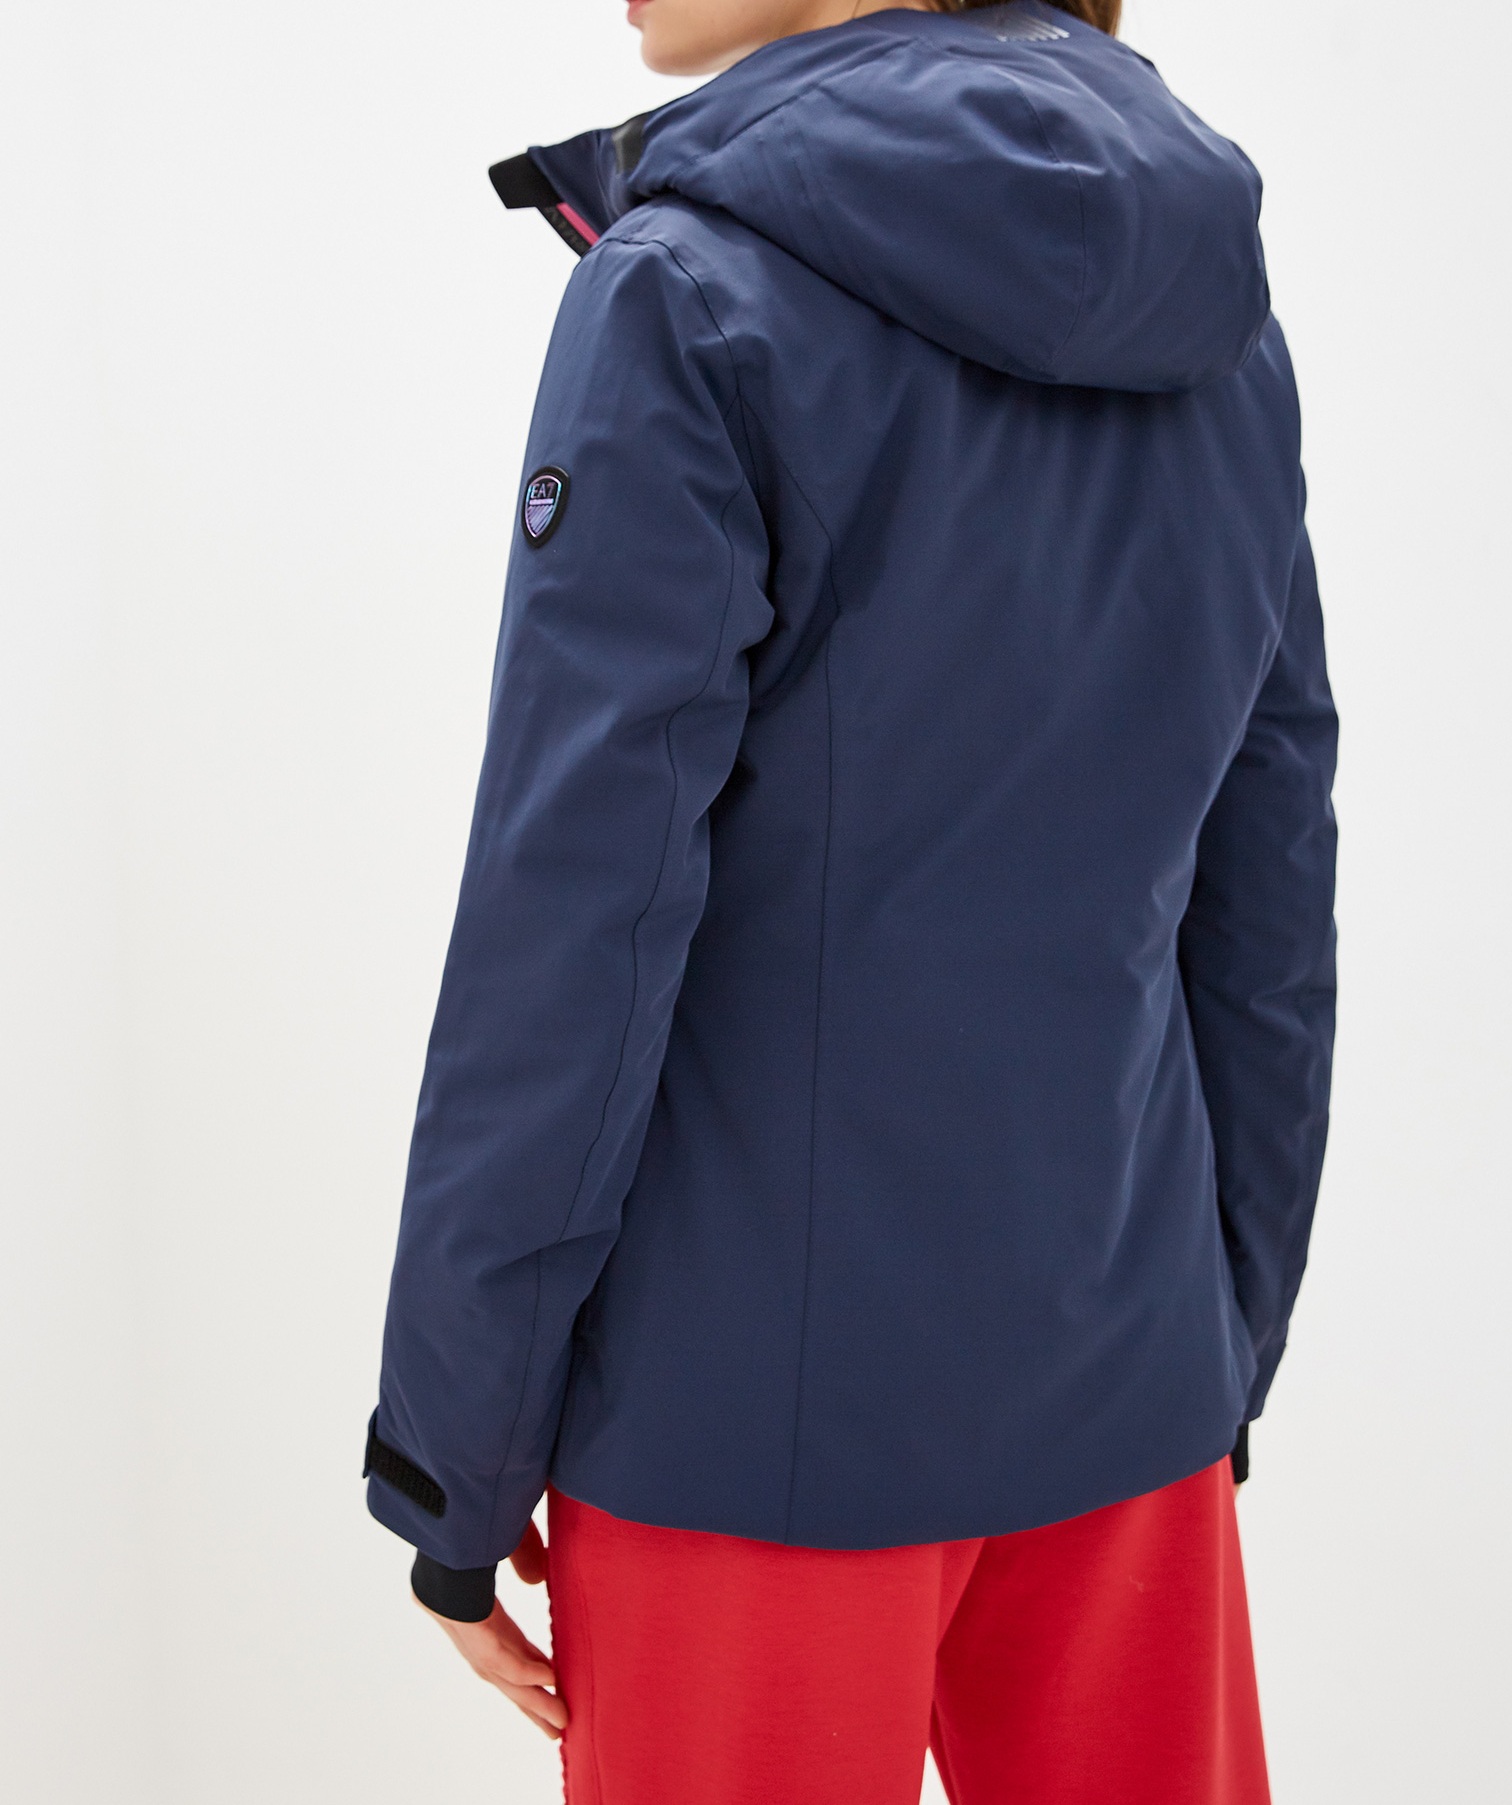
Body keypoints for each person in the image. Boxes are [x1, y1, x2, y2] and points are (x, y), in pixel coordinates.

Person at [364, 1, 1337, 1799]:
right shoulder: (1216, 311)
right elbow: (1267, 881)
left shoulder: (684, 294)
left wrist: (453, 1453)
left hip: (745, 1444)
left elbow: (572, 926)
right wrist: (1218, 1349)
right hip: (1130, 1391)